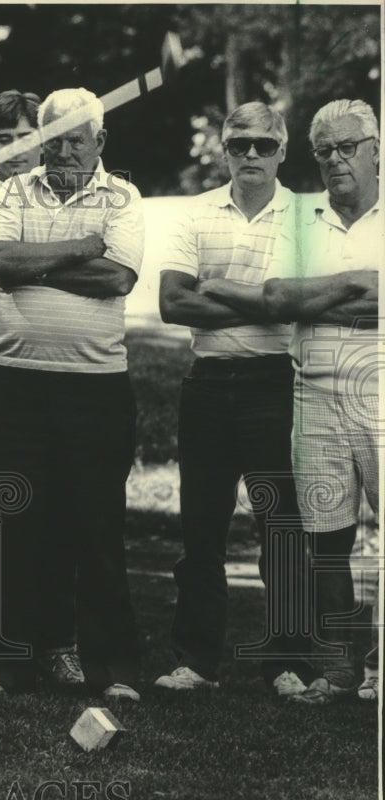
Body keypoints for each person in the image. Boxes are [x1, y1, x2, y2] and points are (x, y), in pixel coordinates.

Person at [202, 99, 380, 704]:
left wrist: (313, 297)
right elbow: (277, 297)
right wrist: (359, 282)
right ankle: (339, 672)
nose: (335, 160)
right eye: (323, 150)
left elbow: (298, 299)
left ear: (376, 148)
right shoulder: (302, 218)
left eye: (347, 147)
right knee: (326, 538)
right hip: (315, 393)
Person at [0, 87, 143, 700]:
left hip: (95, 388)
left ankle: (113, 670)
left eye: (77, 138)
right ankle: (5, 668)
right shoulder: (13, 191)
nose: (65, 149)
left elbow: (117, 277)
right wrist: (78, 247)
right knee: (12, 523)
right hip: (14, 385)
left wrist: (34, 262)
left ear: (101, 141)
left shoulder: (123, 197)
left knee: (97, 528)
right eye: (54, 138)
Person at [154, 102, 314, 697]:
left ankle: (289, 664)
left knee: (281, 528)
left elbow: (294, 306)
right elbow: (173, 303)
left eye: (264, 145)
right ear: (223, 149)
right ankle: (195, 662)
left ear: (283, 150)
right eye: (239, 144)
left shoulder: (306, 215)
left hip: (276, 382)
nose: (251, 155)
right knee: (201, 532)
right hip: (209, 382)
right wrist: (258, 299)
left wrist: (215, 287)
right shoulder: (195, 214)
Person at [0, 90, 87, 690]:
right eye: (2, 139)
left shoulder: (55, 201)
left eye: (26, 137)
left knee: (53, 511)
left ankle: (54, 643)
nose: (14, 150)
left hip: (45, 371)